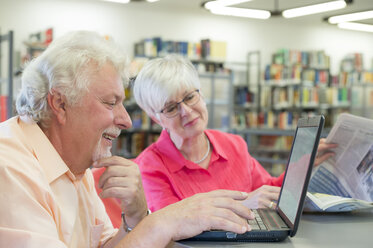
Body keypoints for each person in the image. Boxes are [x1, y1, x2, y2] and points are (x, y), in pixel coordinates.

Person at [0, 31, 256, 248]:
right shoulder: (8, 167)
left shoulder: (77, 165)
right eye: (111, 103)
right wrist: (161, 222)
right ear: (60, 103)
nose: (126, 120)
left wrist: (135, 218)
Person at [132, 54, 337, 212]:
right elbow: (172, 227)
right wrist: (244, 204)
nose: (186, 111)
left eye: (189, 97)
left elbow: (268, 190)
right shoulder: (149, 167)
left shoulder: (234, 145)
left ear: (201, 94)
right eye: (171, 108)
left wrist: (302, 166)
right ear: (156, 118)